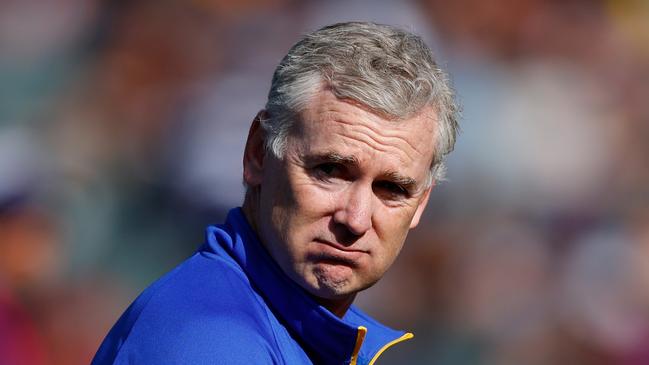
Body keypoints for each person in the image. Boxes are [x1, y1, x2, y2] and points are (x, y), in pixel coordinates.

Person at [92, 21, 459, 365]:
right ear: (257, 153)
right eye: (330, 171)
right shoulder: (212, 343)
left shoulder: (291, 330)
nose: (356, 219)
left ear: (421, 203)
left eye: (392, 188)